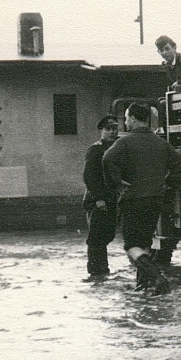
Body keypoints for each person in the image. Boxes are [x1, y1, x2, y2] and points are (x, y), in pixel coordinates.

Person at [102, 102, 181, 295]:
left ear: (133, 118)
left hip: (133, 200)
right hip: (155, 200)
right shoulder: (161, 143)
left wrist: (117, 184)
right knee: (144, 244)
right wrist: (169, 184)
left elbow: (107, 159)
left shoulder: (125, 141)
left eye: (126, 118)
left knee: (132, 247)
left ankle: (158, 278)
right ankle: (143, 286)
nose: (125, 123)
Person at [82, 115, 119, 281]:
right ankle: (97, 272)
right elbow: (89, 176)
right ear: (101, 131)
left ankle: (102, 270)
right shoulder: (96, 150)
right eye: (108, 129)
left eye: (114, 129)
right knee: (97, 236)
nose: (112, 132)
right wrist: (98, 198)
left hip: (111, 199)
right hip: (97, 200)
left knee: (107, 234)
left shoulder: (117, 147)